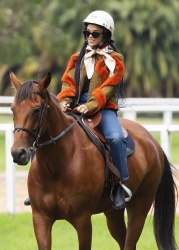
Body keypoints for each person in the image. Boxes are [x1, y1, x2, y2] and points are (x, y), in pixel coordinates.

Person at [57, 10, 130, 210]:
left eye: (95, 33)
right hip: (75, 104)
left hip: (103, 108)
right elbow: (68, 83)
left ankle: (120, 184)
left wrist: (89, 106)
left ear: (105, 35)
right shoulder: (76, 58)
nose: (89, 36)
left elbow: (107, 89)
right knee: (44, 127)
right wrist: (65, 100)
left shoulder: (115, 59)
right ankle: (38, 185)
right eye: (87, 33)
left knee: (115, 137)